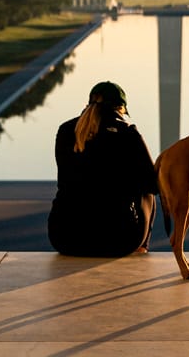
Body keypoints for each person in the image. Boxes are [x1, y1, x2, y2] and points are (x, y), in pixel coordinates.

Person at [47, 81, 158, 257]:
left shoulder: (65, 130)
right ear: (120, 108)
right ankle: (142, 247)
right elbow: (153, 184)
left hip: (64, 238)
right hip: (118, 241)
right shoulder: (127, 132)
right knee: (146, 190)